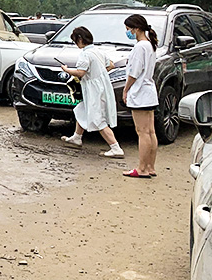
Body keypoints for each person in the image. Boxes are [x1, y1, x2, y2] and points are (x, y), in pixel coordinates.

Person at [58, 26, 124, 158]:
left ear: (80, 39)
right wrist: (99, 72)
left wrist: (67, 70)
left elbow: (81, 72)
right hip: (102, 86)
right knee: (82, 109)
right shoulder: (97, 51)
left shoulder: (85, 54)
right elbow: (111, 64)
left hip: (93, 89)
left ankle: (115, 148)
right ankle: (77, 137)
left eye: (75, 41)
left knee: (97, 118)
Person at [123, 14, 159, 178]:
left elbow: (134, 72)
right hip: (149, 92)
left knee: (142, 132)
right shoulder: (149, 45)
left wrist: (126, 89)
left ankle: (142, 168)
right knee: (150, 131)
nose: (127, 32)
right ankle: (150, 166)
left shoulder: (140, 47)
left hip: (140, 93)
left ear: (136, 29)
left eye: (128, 29)